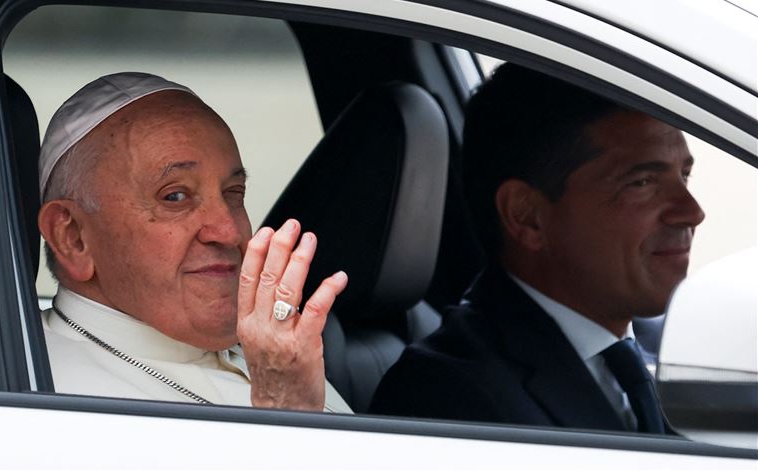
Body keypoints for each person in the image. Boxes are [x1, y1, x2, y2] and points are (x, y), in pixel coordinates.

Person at [369, 63, 705, 432]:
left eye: (683, 175)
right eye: (642, 182)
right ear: (527, 217)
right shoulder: (447, 399)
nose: (692, 212)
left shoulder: (672, 343)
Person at [37, 72, 350, 412]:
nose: (229, 231)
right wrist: (285, 412)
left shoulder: (275, 354)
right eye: (175, 196)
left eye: (233, 193)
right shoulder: (48, 400)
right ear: (73, 238)